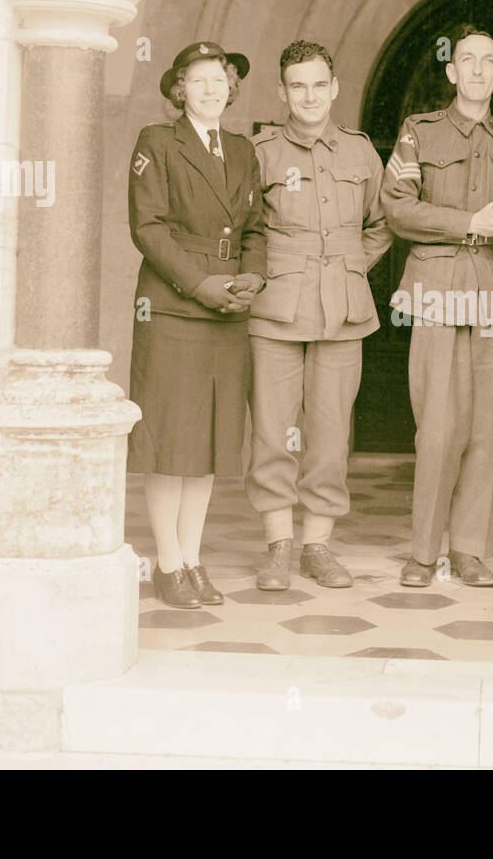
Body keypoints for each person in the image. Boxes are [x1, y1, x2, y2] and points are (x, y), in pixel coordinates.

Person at [381, 24, 493, 587]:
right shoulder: (418, 132)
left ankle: (470, 549)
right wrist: (469, 223)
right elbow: (397, 208)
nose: (476, 70)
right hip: (437, 292)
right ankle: (424, 552)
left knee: (486, 428)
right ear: (451, 72)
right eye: (466, 60)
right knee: (439, 428)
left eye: (488, 62)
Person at [247, 40, 393, 591]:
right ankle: (279, 545)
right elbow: (249, 229)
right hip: (277, 309)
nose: (309, 96)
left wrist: (350, 267)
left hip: (344, 309)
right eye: (297, 86)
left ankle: (319, 545)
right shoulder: (260, 152)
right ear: (282, 92)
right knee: (273, 431)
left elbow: (381, 222)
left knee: (331, 433)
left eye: (319, 84)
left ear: (334, 88)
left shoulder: (360, 152)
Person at [128, 41, 267, 608]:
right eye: (199, 80)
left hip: (229, 308)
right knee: (170, 443)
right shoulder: (157, 143)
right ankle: (166, 563)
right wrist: (202, 284)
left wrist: (252, 276)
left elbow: (256, 226)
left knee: (208, 442)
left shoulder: (241, 149)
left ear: (232, 89)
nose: (212, 89)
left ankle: (193, 557)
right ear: (179, 89)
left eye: (221, 80)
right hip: (175, 307)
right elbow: (148, 228)